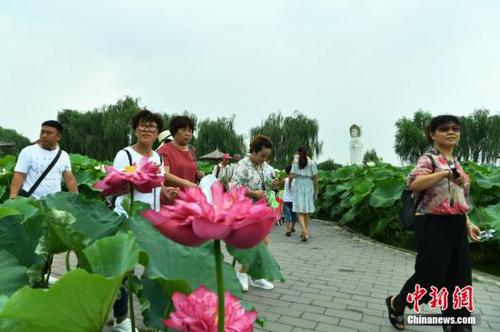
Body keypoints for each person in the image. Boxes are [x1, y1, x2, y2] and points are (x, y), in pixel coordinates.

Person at [386, 115, 481, 332]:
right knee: (430, 276)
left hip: (456, 224)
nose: (451, 132)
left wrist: (468, 223)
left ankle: (457, 325)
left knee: (460, 277)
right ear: (432, 134)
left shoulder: (457, 163)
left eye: (455, 128)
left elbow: (457, 200)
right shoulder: (428, 160)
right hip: (431, 224)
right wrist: (445, 174)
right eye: (444, 128)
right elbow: (415, 184)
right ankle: (397, 303)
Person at [107, 109, 175, 332]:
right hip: (127, 218)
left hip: (151, 220)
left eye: (151, 127)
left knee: (151, 269)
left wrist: (166, 192)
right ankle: (121, 318)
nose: (147, 129)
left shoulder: (158, 157)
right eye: (142, 125)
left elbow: (158, 185)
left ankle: (150, 315)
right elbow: (113, 186)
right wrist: (139, 181)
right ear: (136, 129)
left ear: (157, 133)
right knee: (125, 269)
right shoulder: (125, 155)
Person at [231, 135, 278, 291]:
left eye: (267, 156)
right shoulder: (242, 165)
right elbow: (234, 188)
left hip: (261, 209)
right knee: (258, 243)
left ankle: (254, 275)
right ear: (253, 151)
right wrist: (253, 194)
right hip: (244, 209)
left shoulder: (264, 167)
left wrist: (273, 184)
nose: (265, 159)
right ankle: (245, 274)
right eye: (262, 155)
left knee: (262, 243)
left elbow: (267, 185)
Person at [9, 120, 78, 199]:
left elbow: (69, 180)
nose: (44, 135)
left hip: (54, 202)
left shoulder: (64, 155)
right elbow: (19, 176)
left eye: (49, 133)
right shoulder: (28, 151)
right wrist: (12, 198)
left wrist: (77, 200)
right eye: (42, 132)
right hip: (31, 201)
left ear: (58, 137)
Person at [157, 116, 203, 193]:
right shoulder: (164, 150)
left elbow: (189, 170)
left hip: (190, 197)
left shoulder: (192, 150)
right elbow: (165, 175)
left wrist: (198, 175)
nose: (187, 134)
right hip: (171, 197)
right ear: (174, 131)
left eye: (190, 131)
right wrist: (187, 184)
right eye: (184, 130)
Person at [290, 146, 318, 242]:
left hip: (298, 184)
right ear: (307, 152)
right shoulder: (311, 163)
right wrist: (316, 189)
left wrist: (289, 184)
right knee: (307, 210)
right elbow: (315, 177)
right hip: (308, 185)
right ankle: (305, 231)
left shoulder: (295, 163)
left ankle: (304, 231)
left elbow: (292, 175)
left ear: (298, 152)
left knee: (299, 210)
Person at [283, 165, 297, 236]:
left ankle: (288, 230)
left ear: (286, 172)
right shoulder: (297, 181)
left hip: (286, 200)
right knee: (294, 215)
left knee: (287, 215)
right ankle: (292, 228)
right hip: (294, 200)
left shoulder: (285, 180)